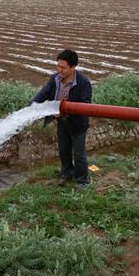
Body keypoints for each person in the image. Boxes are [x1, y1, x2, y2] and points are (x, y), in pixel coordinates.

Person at [31, 49, 92, 186]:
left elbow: (85, 106)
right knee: (64, 151)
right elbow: (44, 93)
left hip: (78, 124)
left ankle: (82, 182)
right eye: (58, 66)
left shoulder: (84, 83)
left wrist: (67, 111)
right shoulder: (55, 78)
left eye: (63, 67)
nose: (59, 70)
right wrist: (31, 107)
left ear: (73, 67)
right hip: (61, 121)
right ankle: (67, 174)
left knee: (79, 155)